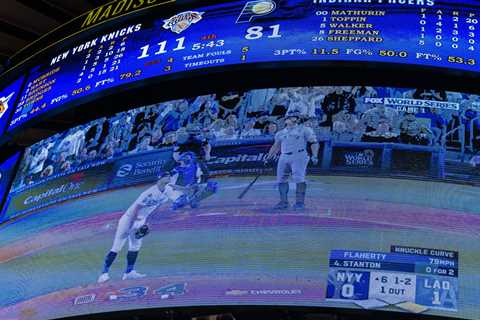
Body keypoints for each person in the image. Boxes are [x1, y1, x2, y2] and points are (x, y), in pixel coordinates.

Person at [97, 174, 173, 283]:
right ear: (160, 178)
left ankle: (129, 272)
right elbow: (136, 209)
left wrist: (147, 222)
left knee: (135, 247)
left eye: (169, 176)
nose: (169, 177)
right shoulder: (148, 193)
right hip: (128, 219)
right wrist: (130, 227)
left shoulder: (167, 191)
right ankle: (104, 274)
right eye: (166, 176)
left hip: (141, 220)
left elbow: (158, 206)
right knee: (117, 247)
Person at [265, 111, 319, 210]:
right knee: (281, 179)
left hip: (299, 155)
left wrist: (314, 155)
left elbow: (314, 142)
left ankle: (300, 202)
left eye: (291, 117)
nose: (288, 118)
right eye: (287, 117)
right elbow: (276, 146)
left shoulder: (305, 130)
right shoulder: (280, 133)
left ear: (297, 119)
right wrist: (269, 157)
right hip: (284, 156)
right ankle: (283, 202)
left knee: (299, 178)